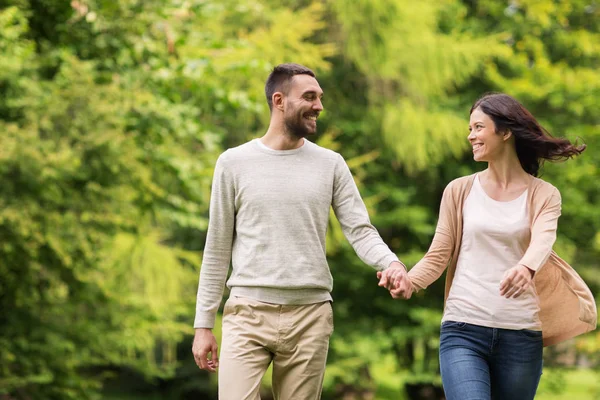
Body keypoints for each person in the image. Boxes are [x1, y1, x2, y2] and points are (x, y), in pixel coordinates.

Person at [192, 63, 412, 400]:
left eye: (320, 98)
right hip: (247, 312)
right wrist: (203, 324)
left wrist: (391, 263)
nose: (319, 106)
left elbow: (360, 229)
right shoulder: (233, 163)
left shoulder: (331, 164)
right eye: (309, 97)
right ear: (279, 100)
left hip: (310, 316)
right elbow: (217, 245)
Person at [388, 93, 597, 400]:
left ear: (505, 131)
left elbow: (544, 237)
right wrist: (410, 280)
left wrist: (527, 266)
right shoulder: (459, 190)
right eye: (470, 128)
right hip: (463, 328)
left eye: (478, 127)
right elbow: (440, 253)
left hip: (521, 335)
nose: (470, 135)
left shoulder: (544, 194)